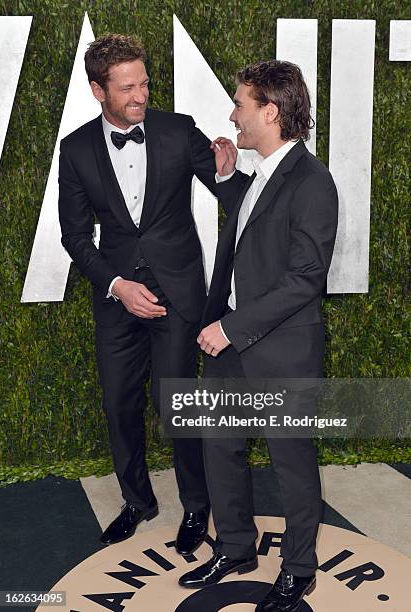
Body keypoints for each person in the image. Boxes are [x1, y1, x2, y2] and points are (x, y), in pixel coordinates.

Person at [58, 34, 243, 553]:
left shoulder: (177, 130)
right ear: (98, 90)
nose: (140, 94)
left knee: (177, 404)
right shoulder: (74, 150)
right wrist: (117, 285)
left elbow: (231, 191)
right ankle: (137, 501)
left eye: (143, 82)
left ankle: (196, 508)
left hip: (178, 294)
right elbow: (75, 236)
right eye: (127, 87)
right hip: (118, 298)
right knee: (119, 404)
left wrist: (227, 170)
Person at [178, 60, 338, 612]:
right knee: (220, 449)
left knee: (292, 464)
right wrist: (226, 180)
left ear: (271, 112)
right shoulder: (263, 176)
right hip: (232, 344)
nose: (232, 115)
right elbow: (256, 228)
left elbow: (303, 281)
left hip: (278, 350)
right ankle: (237, 548)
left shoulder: (314, 182)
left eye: (241, 105)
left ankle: (298, 570)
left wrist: (230, 326)